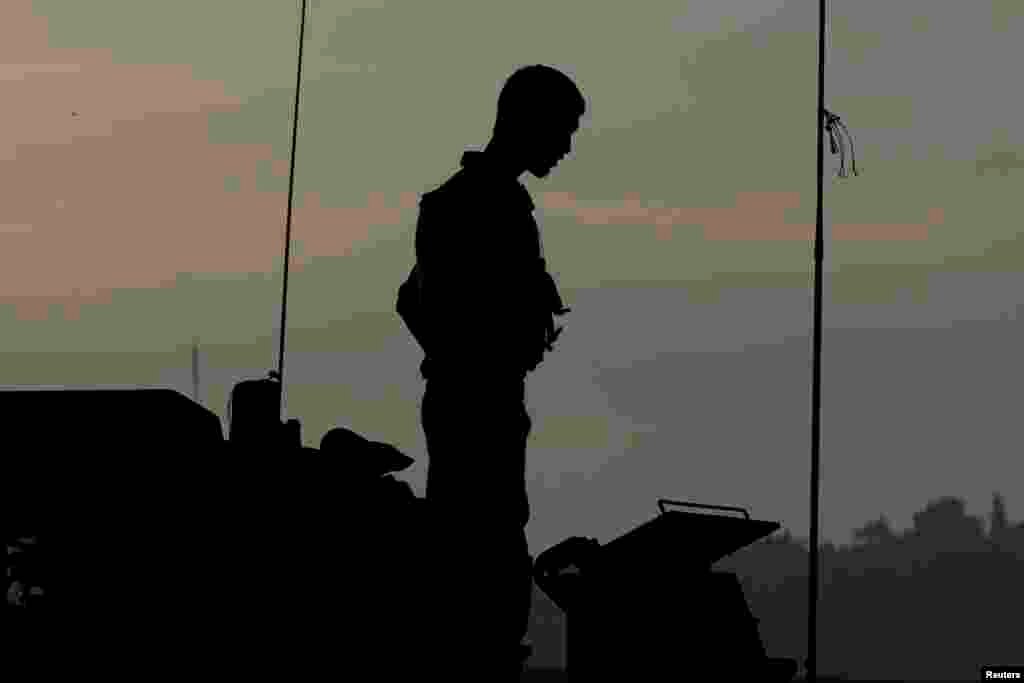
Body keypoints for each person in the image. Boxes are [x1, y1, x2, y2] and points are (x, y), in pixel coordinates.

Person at [409, 64, 585, 680]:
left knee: (488, 555)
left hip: (478, 398)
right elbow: (433, 305)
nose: (565, 147)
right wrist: (493, 343)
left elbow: (414, 300)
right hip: (475, 406)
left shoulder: (485, 202)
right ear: (525, 122)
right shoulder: (472, 205)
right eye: (561, 130)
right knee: (484, 561)